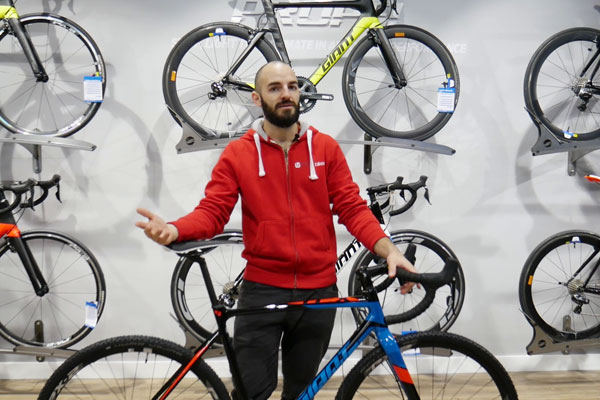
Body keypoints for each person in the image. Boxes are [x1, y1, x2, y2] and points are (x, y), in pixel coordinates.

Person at [136, 61, 416, 400]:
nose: (286, 94)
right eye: (275, 88)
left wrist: (390, 250)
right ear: (257, 99)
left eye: (292, 86)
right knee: (252, 392)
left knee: (301, 392)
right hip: (262, 289)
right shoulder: (238, 154)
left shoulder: (325, 148)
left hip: (319, 293)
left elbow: (352, 208)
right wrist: (175, 230)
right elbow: (212, 213)